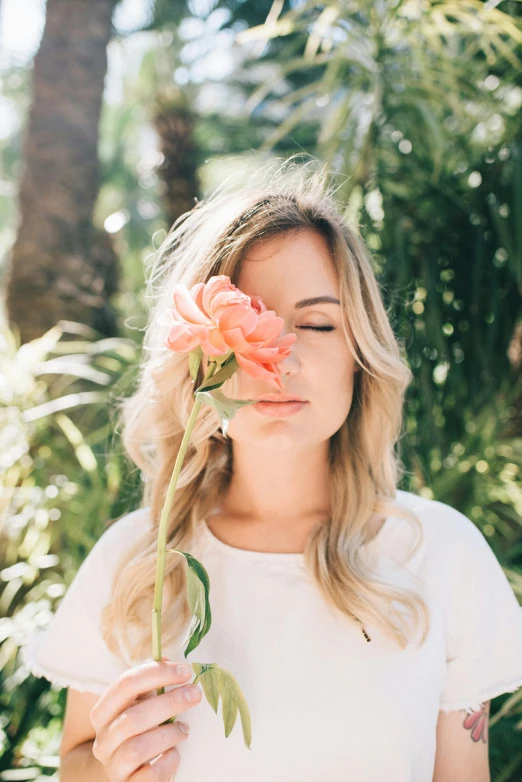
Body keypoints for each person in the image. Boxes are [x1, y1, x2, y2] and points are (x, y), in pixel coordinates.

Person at [22, 157, 522, 782]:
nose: (279, 357)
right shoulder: (135, 564)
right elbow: (76, 762)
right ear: (198, 351)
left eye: (316, 323)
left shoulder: (441, 554)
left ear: (360, 355)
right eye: (246, 325)